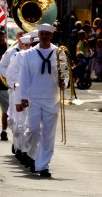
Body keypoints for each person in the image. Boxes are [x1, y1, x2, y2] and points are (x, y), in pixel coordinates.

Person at [19, 23, 66, 178]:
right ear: (38, 35)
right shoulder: (29, 54)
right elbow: (24, 77)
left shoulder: (59, 53)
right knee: (32, 130)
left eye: (47, 34)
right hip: (34, 98)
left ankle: (43, 165)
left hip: (51, 98)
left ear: (51, 35)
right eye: (42, 34)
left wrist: (63, 83)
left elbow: (64, 75)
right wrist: (23, 97)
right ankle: (32, 155)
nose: (44, 36)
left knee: (48, 134)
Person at [0, 32, 31, 157]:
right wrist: (14, 81)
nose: (26, 47)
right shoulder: (12, 52)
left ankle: (23, 149)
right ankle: (17, 143)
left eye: (29, 44)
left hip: (29, 91)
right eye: (24, 44)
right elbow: (0, 67)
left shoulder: (33, 54)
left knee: (26, 122)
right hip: (15, 90)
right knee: (14, 121)